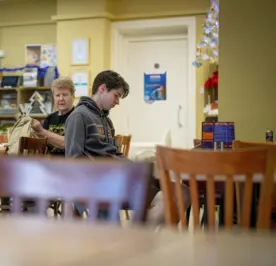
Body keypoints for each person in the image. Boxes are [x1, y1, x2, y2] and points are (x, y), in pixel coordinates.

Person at [64, 70, 189, 225]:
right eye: (116, 95)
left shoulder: (107, 121)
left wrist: (134, 166)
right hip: (107, 183)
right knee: (167, 200)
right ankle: (136, 238)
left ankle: (136, 236)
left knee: (184, 193)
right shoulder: (79, 116)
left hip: (126, 177)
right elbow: (73, 161)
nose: (117, 102)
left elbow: (115, 153)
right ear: (102, 89)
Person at [31, 77, 75, 156]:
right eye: (57, 95)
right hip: (51, 164)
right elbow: (43, 147)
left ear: (73, 96)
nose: (61, 99)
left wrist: (41, 131)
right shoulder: (49, 119)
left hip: (71, 165)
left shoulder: (78, 117)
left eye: (65, 95)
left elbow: (70, 144)